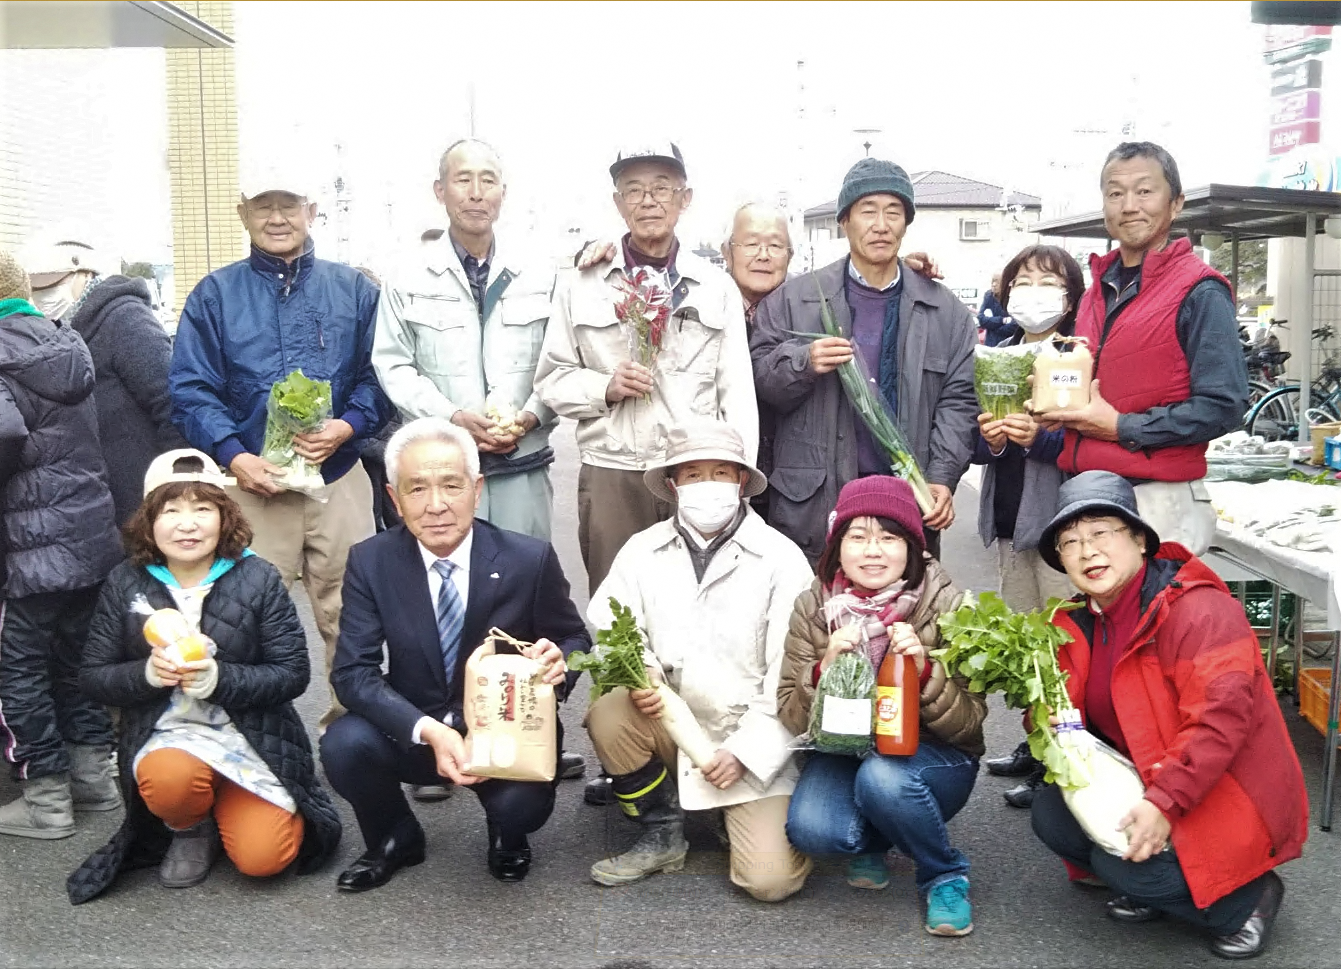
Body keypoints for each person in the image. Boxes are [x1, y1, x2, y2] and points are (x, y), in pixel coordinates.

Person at [1030, 470, 1307, 961]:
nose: (1086, 551)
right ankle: (1159, 886)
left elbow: (1220, 722)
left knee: (1125, 867)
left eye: (1100, 532)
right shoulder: (1074, 621)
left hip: (1222, 787)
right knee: (1052, 816)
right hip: (1147, 770)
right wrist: (1046, 720)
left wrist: (1163, 802)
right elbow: (1065, 715)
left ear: (1140, 539)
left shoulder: (1198, 611)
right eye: (1069, 542)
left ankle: (1248, 901)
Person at [320, 417, 590, 891]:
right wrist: (428, 731)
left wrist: (559, 661)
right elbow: (353, 673)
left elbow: (573, 639)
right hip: (416, 726)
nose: (437, 505)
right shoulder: (371, 560)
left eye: (451, 485)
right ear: (394, 498)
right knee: (344, 744)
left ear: (477, 488)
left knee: (520, 808)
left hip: (506, 727)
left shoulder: (528, 559)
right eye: (417, 489)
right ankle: (394, 836)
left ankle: (506, 831)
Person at [169, 164, 393, 729]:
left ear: (312, 212)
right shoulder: (215, 295)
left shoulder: (354, 290)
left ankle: (363, 735)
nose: (277, 218)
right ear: (243, 214)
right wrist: (234, 453)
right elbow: (191, 389)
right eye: (263, 206)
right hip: (253, 487)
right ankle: (255, 739)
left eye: (289, 204)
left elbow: (381, 374)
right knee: (245, 620)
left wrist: (349, 424)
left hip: (339, 480)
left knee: (354, 614)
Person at [68, 450, 342, 902]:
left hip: (252, 738)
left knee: (264, 859)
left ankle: (233, 800)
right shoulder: (126, 582)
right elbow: (94, 677)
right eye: (170, 510)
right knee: (170, 779)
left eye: (203, 508)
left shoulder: (257, 577)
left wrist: (221, 679)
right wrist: (148, 675)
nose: (187, 523)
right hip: (169, 734)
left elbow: (293, 673)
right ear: (149, 521)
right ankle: (191, 827)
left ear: (224, 516)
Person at [583, 421, 814, 901]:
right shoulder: (641, 550)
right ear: (673, 486)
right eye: (692, 474)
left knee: (769, 882)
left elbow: (790, 673)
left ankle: (732, 812)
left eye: (721, 473)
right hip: (669, 724)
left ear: (741, 483)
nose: (707, 485)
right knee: (609, 713)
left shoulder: (780, 558)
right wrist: (640, 667)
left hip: (749, 735)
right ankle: (661, 830)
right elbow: (608, 622)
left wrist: (746, 752)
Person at [536, 142, 758, 599]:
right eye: (633, 190)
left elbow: (736, 391)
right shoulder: (580, 282)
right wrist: (605, 387)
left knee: (702, 602)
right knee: (619, 612)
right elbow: (552, 380)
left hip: (696, 470)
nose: (648, 200)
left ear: (685, 198)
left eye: (662, 188)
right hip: (613, 472)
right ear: (618, 203)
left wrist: (739, 479)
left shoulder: (715, 286)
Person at [778, 475, 986, 938]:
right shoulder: (814, 605)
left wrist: (926, 671)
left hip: (931, 758)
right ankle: (876, 834)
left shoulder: (948, 604)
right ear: (838, 547)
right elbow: (790, 711)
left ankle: (943, 873)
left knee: (885, 777)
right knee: (815, 831)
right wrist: (822, 670)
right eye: (858, 537)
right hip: (844, 751)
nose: (873, 551)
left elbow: (971, 725)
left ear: (912, 547)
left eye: (889, 537)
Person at [750, 158, 978, 565]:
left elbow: (958, 403)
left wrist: (942, 476)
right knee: (815, 622)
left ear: (906, 223)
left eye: (894, 212)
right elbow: (759, 384)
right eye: (867, 211)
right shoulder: (792, 300)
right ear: (844, 222)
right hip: (816, 505)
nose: (881, 224)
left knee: (901, 624)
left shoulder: (946, 312)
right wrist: (802, 362)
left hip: (905, 503)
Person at [1034, 142, 1249, 555]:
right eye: (1115, 193)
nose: (1129, 205)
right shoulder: (1096, 291)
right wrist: (1053, 409)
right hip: (1087, 495)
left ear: (1176, 204)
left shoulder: (1200, 291)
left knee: (1159, 618)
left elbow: (1224, 405)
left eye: (1145, 191)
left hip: (1156, 500)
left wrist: (1121, 428)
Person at [374, 140, 559, 542]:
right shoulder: (407, 275)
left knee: (524, 586)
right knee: (445, 590)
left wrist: (531, 415)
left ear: (503, 193)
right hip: (441, 473)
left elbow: (560, 359)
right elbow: (393, 364)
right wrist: (452, 417)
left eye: (488, 180)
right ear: (440, 191)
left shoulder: (540, 272)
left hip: (521, 466)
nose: (476, 193)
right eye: (463, 180)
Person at [0, 250, 122, 840]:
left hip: (26, 542)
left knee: (17, 669)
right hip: (87, 536)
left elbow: (5, 430)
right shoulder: (61, 345)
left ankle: (46, 800)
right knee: (74, 663)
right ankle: (94, 778)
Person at [972, 245, 1082, 810]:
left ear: (1069, 296)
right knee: (1027, 644)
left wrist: (1039, 439)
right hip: (1011, 515)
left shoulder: (1077, 355)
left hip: (1058, 522)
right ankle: (1034, 742)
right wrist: (987, 439)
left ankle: (1062, 760)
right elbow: (977, 438)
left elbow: (1087, 443)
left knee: (1064, 646)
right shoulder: (1000, 353)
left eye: (1048, 281)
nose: (1032, 292)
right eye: (1022, 280)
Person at [21, 234, 186, 527]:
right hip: (89, 503)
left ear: (86, 273)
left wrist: (174, 488)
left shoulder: (125, 319)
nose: (44, 295)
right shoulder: (52, 332)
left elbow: (171, 403)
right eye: (36, 288)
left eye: (53, 284)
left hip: (144, 500)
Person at [977, 273, 1015, 346]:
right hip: (991, 345)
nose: (994, 284)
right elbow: (981, 319)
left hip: (1008, 345)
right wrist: (1002, 320)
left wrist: (993, 327)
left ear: (1005, 282)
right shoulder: (988, 296)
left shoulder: (1012, 296)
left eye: (997, 281)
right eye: (993, 281)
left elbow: (1014, 325)